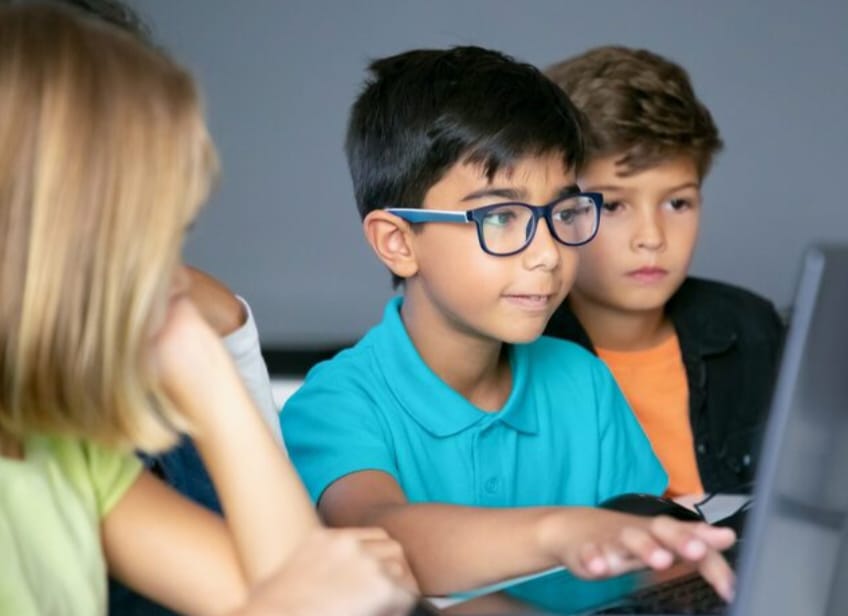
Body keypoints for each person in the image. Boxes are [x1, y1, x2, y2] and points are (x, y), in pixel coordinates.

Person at [280, 45, 737, 601]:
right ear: (398, 242)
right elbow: (379, 538)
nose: (546, 253)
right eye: (500, 216)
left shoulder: (583, 381)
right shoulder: (338, 402)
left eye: (563, 212)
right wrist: (559, 531)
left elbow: (640, 568)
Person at [0, 5, 414, 615]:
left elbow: (313, 591)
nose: (175, 278)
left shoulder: (65, 449)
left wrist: (208, 371)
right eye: (148, 235)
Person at [544, 46, 785, 497]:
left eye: (677, 203)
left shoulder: (752, 329)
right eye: (613, 205)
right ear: (554, 209)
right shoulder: (518, 357)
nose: (651, 237)